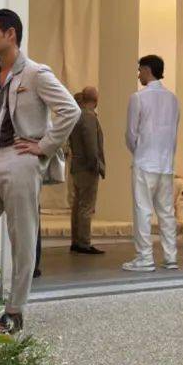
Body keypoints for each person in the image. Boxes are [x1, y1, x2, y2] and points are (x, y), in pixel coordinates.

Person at [0, 9, 80, 333]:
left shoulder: (36, 74)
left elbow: (70, 110)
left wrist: (44, 146)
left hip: (21, 160)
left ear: (10, 34)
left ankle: (14, 311)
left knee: (22, 238)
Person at [123, 55, 180, 273]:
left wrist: (138, 151)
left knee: (143, 211)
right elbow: (174, 133)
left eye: (140, 70)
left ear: (147, 70)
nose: (139, 74)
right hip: (166, 163)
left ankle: (145, 257)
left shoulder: (138, 97)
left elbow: (131, 134)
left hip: (144, 161)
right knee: (167, 212)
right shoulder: (173, 99)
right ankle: (170, 256)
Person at [68, 86, 106, 255]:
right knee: (86, 206)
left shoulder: (76, 116)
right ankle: (84, 242)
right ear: (96, 100)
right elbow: (91, 145)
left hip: (77, 166)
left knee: (77, 205)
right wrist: (96, 165)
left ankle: (76, 240)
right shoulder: (89, 117)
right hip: (87, 167)